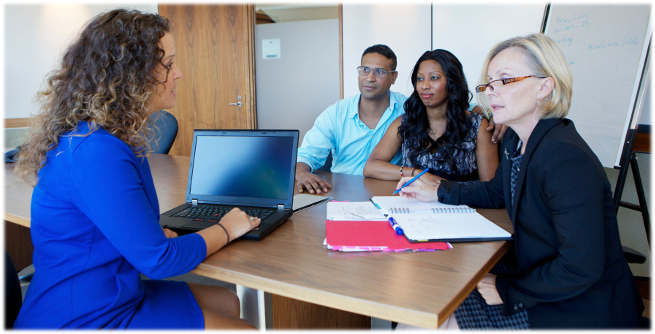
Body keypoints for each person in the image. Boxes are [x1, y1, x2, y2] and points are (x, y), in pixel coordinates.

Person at [13, 9, 259, 329]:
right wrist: (226, 229)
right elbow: (158, 260)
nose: (179, 74)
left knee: (228, 300)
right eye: (168, 65)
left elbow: (128, 230)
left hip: (112, 289)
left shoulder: (112, 138)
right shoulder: (96, 152)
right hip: (83, 315)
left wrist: (152, 237)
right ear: (131, 75)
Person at [396, 33, 644, 329]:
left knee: (427, 320)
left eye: (506, 80)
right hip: (539, 279)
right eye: (489, 82)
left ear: (544, 86)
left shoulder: (563, 157)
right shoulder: (516, 139)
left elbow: (580, 268)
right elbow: (497, 192)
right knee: (430, 295)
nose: (491, 92)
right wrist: (439, 192)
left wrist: (504, 287)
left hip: (576, 307)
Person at [363, 49, 498, 184]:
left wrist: (448, 191)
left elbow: (491, 190)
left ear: (452, 81)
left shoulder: (478, 126)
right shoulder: (405, 122)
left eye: (434, 78)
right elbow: (371, 167)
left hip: (462, 202)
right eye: (420, 79)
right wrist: (417, 174)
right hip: (415, 203)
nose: (424, 86)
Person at [295, 44, 407, 194]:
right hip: (340, 192)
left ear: (394, 77)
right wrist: (301, 172)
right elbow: (307, 154)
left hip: (388, 194)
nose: (370, 78)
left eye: (379, 72)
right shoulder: (337, 112)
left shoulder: (407, 110)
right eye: (365, 70)